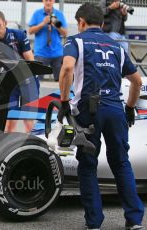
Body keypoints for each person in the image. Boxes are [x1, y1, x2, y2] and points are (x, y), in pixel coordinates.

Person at [58, 3, 144, 229]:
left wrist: (64, 102)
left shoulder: (75, 41)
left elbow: (67, 68)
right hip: (116, 109)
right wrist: (129, 107)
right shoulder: (116, 45)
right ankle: (134, 220)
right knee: (121, 163)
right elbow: (137, 81)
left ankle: (94, 222)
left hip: (89, 110)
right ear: (103, 23)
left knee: (87, 165)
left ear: (81, 22)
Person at [0, 10, 39, 133]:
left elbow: (30, 60)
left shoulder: (18, 35)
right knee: (9, 122)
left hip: (28, 80)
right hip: (9, 83)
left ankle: (30, 146)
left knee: (29, 121)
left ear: (5, 23)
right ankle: (8, 147)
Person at [28, 0, 67, 82]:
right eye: (46, 0)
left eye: (50, 0)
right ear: (43, 1)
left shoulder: (59, 14)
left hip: (57, 52)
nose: (48, 2)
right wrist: (43, 23)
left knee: (61, 81)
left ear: (54, 1)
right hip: (41, 52)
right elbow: (30, 31)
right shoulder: (37, 13)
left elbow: (65, 33)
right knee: (37, 81)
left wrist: (57, 25)